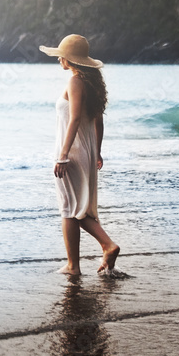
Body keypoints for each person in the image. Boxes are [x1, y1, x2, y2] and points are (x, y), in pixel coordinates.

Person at [40, 34, 120, 275]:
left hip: (72, 153)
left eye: (62, 56)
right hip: (86, 151)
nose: (59, 60)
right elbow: (98, 122)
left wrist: (63, 155)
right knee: (76, 207)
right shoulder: (93, 84)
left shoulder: (75, 82)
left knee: (69, 209)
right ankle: (74, 265)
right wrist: (98, 151)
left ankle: (105, 246)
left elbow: (74, 118)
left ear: (69, 59)